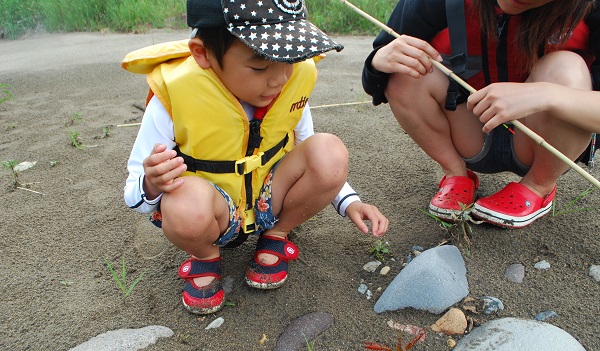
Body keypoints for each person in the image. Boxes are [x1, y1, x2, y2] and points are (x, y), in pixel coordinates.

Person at [122, 0, 389, 314]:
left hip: (269, 200)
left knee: (330, 151)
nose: (279, 79)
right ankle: (205, 256)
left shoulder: (287, 86)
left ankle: (277, 232)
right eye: (260, 66)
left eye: (289, 60)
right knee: (182, 203)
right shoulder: (174, 95)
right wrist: (153, 184)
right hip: (213, 212)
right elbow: (133, 195)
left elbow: (312, 152)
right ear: (202, 53)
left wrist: (349, 201)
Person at [362, 0, 599, 228]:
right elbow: (376, 81)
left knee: (567, 67)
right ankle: (455, 173)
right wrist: (377, 62)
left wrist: (547, 94)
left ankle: (539, 186)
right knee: (405, 67)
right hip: (470, 132)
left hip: (543, 145)